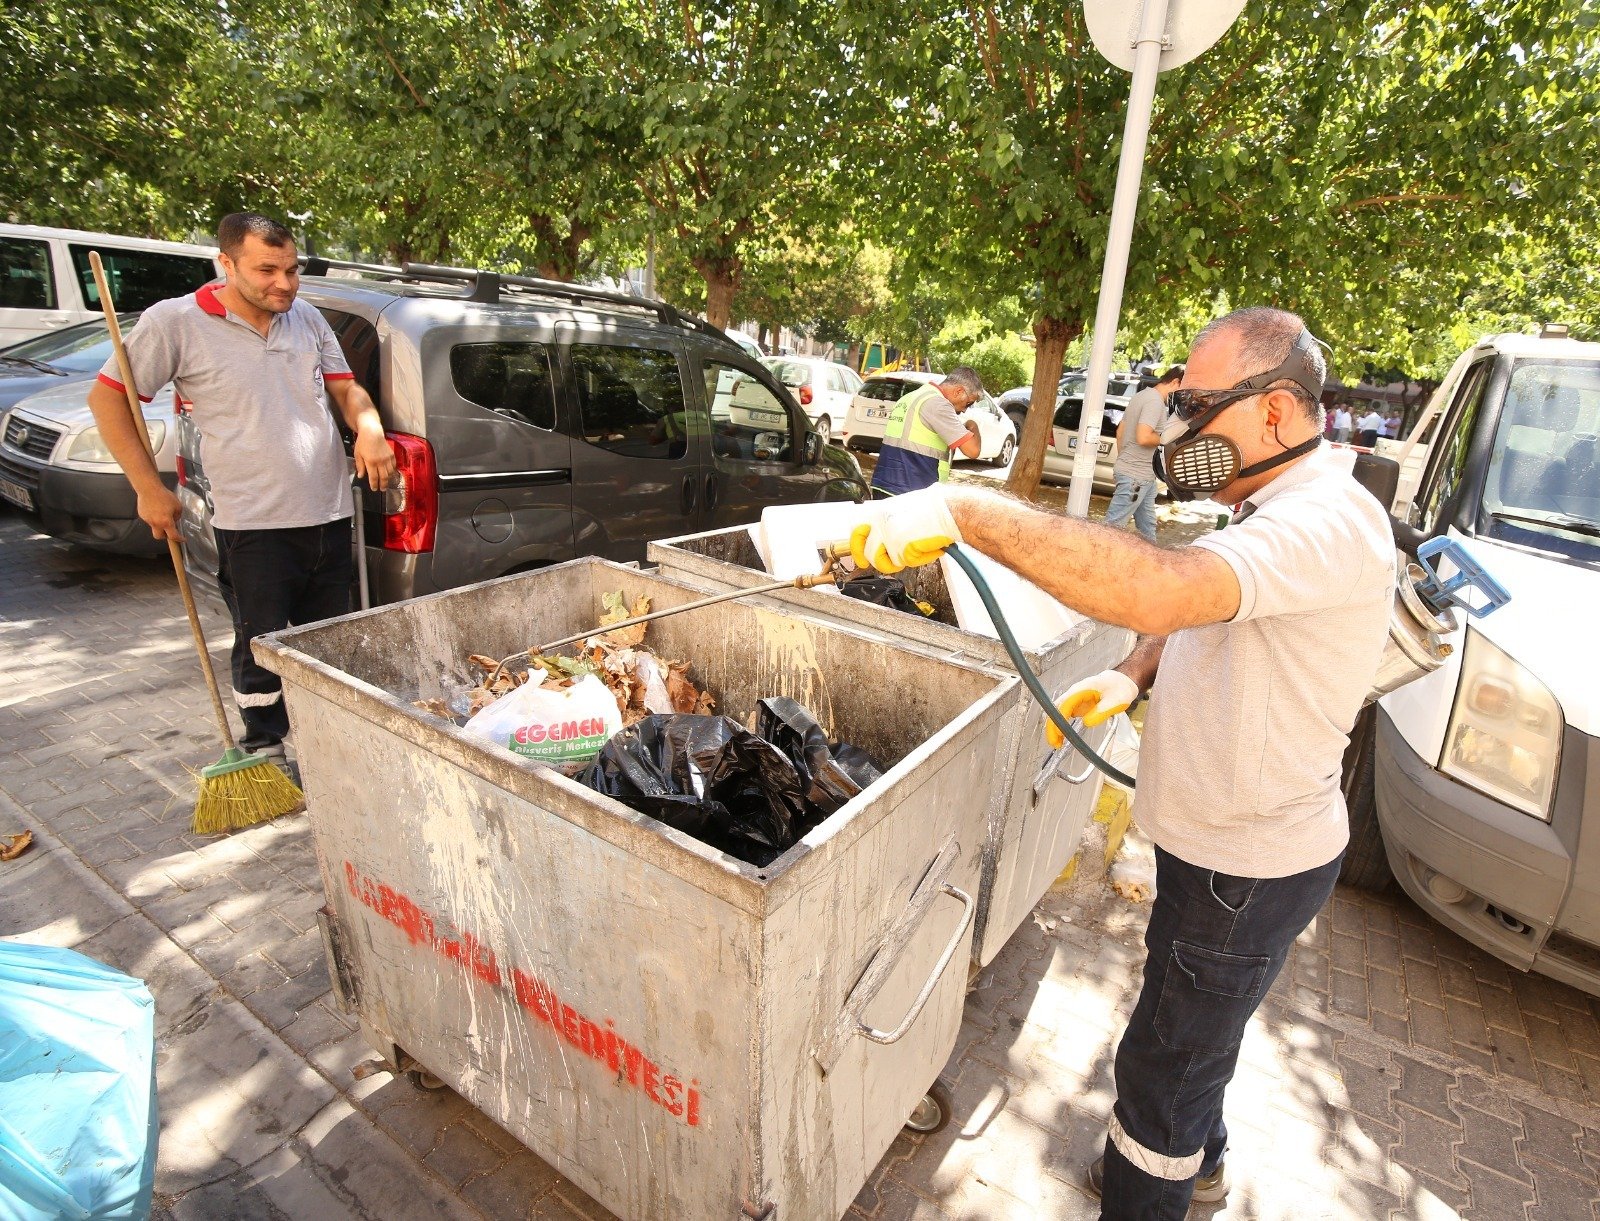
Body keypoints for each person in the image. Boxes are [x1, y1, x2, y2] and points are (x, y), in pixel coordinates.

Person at [844, 307, 1395, 1219]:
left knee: (1162, 1069)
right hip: (1217, 854)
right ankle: (1203, 1158)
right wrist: (1133, 672)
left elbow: (1161, 585)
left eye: (1201, 406)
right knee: (1198, 1025)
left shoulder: (1326, 521)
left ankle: (1155, 1180)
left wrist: (965, 511)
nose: (1179, 432)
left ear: (1277, 410)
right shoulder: (1274, 509)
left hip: (1244, 869)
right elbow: (1201, 617)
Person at [87, 211, 396, 771]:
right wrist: (146, 487)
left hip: (328, 514)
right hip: (252, 524)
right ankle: (265, 746)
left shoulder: (304, 318)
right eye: (267, 270)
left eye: (291, 270)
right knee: (263, 642)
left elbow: (346, 389)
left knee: (327, 642)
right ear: (225, 263)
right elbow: (108, 401)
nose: (284, 284)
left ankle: (326, 742)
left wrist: (370, 429)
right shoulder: (174, 322)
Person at [870, 367, 984, 496]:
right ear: (958, 391)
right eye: (968, 403)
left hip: (884, 484)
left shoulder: (911, 397)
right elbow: (973, 451)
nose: (964, 410)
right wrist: (972, 426)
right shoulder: (938, 404)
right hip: (912, 491)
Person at [1106, 365, 1183, 542]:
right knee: (1112, 527)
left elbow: (1120, 432)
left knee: (1147, 529)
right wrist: (1170, 439)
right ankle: (1091, 565)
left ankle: (1150, 567)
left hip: (1143, 477)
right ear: (1175, 382)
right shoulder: (1155, 402)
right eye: (1182, 390)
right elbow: (1143, 437)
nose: (1181, 397)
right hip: (1136, 478)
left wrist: (1121, 464)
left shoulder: (1140, 396)